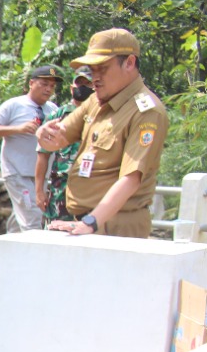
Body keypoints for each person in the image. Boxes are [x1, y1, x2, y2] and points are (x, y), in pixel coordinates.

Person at [39, 29, 169, 238]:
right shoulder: (96, 101)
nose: (95, 78)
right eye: (92, 70)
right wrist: (44, 134)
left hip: (116, 227)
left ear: (129, 63)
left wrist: (92, 222)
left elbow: (132, 178)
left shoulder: (146, 111)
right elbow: (59, 138)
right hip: (87, 223)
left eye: (103, 69)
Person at [0, 65, 60, 233]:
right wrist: (18, 129)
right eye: (44, 84)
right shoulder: (14, 105)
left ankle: (6, 254)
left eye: (52, 86)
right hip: (17, 172)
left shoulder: (53, 110)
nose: (48, 89)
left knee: (20, 219)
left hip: (40, 176)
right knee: (33, 220)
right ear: (31, 83)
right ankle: (34, 258)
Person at [35, 68, 93, 225]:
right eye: (80, 83)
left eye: (88, 83)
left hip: (90, 188)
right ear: (72, 87)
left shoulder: (100, 117)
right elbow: (43, 155)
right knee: (55, 235)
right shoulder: (57, 117)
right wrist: (39, 191)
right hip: (60, 189)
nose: (83, 87)